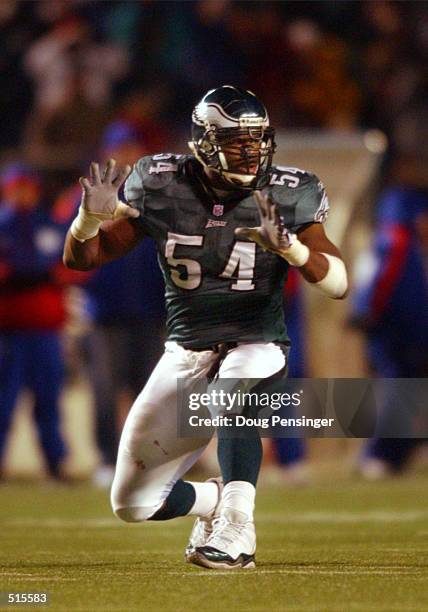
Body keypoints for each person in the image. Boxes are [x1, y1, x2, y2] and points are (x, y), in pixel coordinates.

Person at [63, 85, 348, 569]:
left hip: (257, 340)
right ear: (204, 140)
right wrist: (88, 219)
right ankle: (213, 503)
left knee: (231, 393)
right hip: (186, 350)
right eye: (237, 139)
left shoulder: (288, 189)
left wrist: (292, 251)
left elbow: (338, 282)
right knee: (132, 504)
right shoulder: (159, 181)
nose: (250, 149)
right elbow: (83, 258)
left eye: (257, 138)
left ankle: (239, 526)